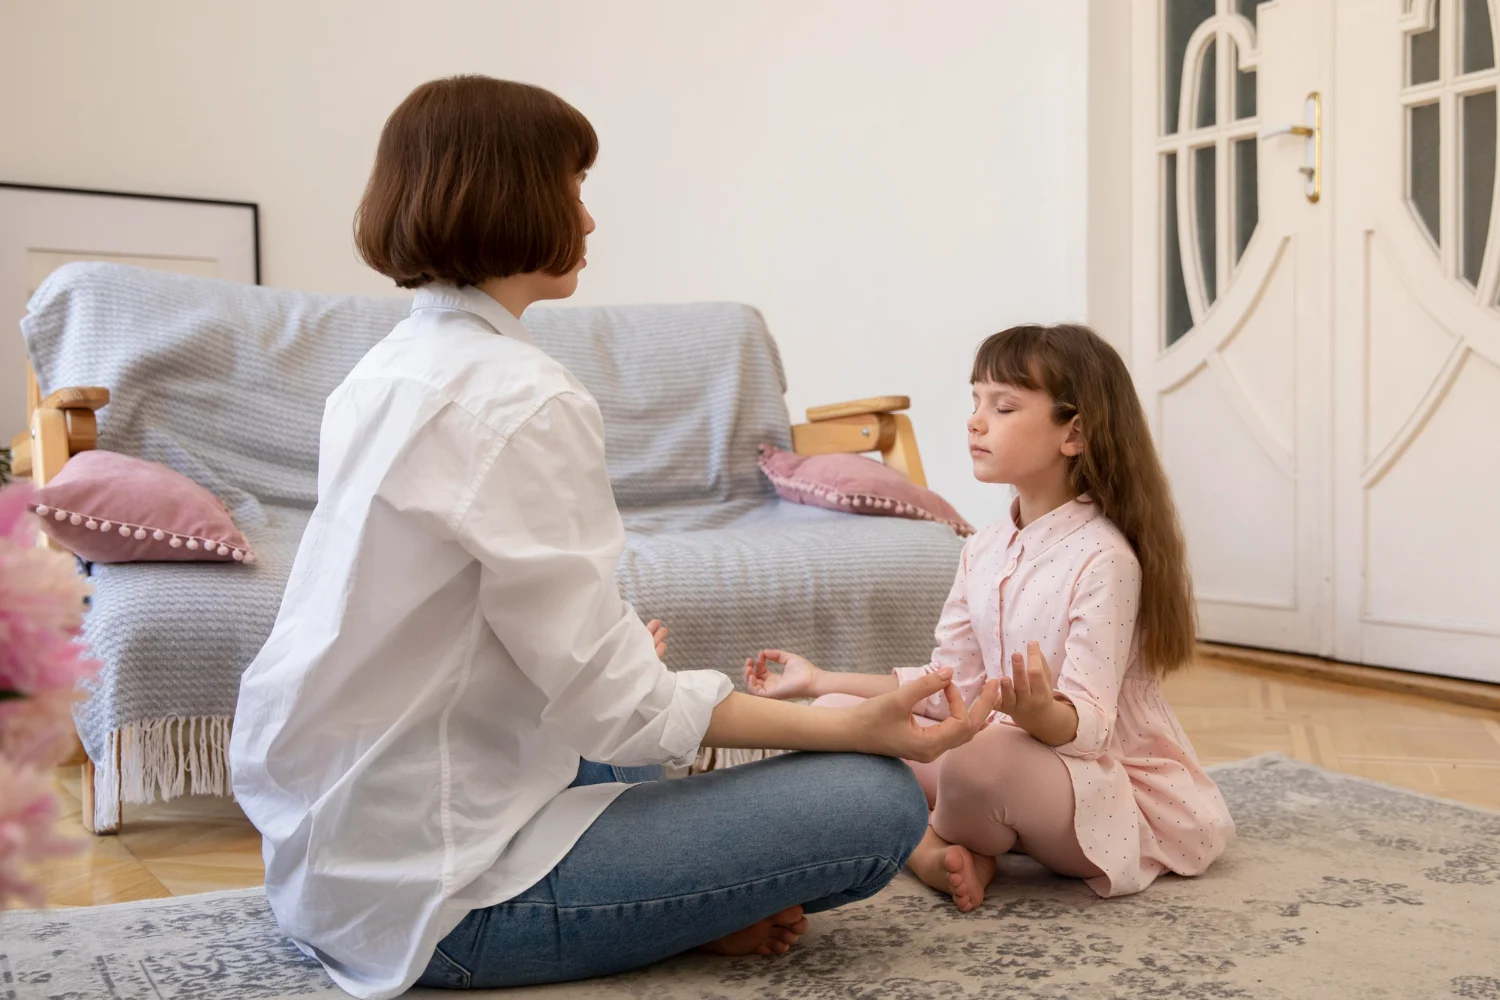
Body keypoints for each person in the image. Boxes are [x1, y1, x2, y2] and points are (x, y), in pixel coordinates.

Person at [229, 75, 999, 1000]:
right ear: (509, 194)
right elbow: (622, 711)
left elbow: (470, 630)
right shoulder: (525, 396)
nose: (588, 221)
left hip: (328, 864)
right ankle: (673, 910)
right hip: (445, 911)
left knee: (631, 741)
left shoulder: (379, 374)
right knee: (874, 800)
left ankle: (677, 896)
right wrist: (858, 729)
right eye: (573, 187)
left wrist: (618, 678)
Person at [746, 323, 1235, 911]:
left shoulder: (1106, 559)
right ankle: (943, 845)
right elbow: (947, 686)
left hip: (1096, 787)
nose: (975, 421)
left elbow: (1092, 730)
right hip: (998, 764)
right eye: (974, 401)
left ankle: (929, 842)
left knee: (979, 761)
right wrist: (821, 680)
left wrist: (1038, 714)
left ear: (1073, 433)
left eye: (1002, 406)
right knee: (836, 721)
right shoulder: (983, 548)